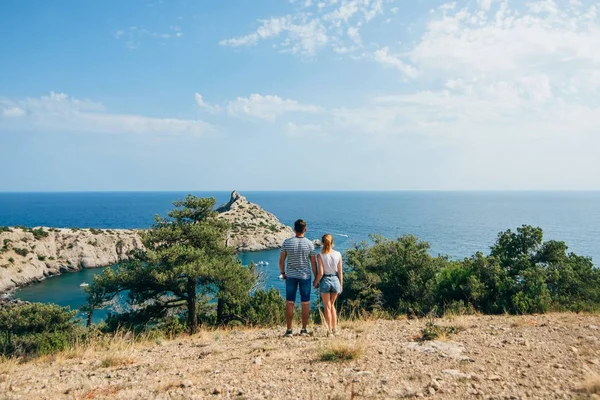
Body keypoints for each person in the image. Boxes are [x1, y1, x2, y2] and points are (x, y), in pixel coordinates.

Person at [279, 219, 317, 337]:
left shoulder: (287, 242)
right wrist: (316, 278)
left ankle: (289, 330)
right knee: (305, 303)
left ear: (294, 229)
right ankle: (304, 329)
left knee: (290, 302)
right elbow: (313, 263)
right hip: (305, 276)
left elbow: (281, 261)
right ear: (305, 229)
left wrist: (283, 273)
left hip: (290, 276)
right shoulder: (310, 244)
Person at [313, 234, 343, 336]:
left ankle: (329, 330)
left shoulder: (320, 255)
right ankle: (335, 329)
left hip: (325, 280)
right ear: (332, 242)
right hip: (335, 280)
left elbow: (320, 272)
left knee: (327, 306)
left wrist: (315, 282)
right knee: (332, 305)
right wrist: (341, 285)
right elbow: (340, 272)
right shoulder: (338, 254)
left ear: (322, 242)